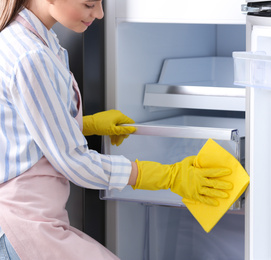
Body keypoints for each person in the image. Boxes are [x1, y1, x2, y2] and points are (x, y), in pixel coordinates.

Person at [0, 0, 233, 259]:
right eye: (89, 3)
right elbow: (74, 163)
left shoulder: (24, 39)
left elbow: (22, 128)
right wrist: (165, 176)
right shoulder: (31, 57)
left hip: (25, 222)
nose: (99, 14)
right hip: (23, 227)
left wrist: (84, 125)